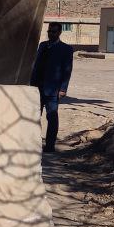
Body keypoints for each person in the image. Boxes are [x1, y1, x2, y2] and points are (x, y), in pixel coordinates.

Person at [30, 21, 74, 153]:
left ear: (59, 32)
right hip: (37, 88)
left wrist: (63, 89)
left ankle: (50, 145)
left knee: (52, 117)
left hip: (53, 90)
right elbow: (36, 66)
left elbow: (67, 70)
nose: (50, 34)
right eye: (49, 31)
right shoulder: (42, 46)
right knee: (34, 116)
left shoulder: (66, 49)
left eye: (53, 31)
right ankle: (33, 143)